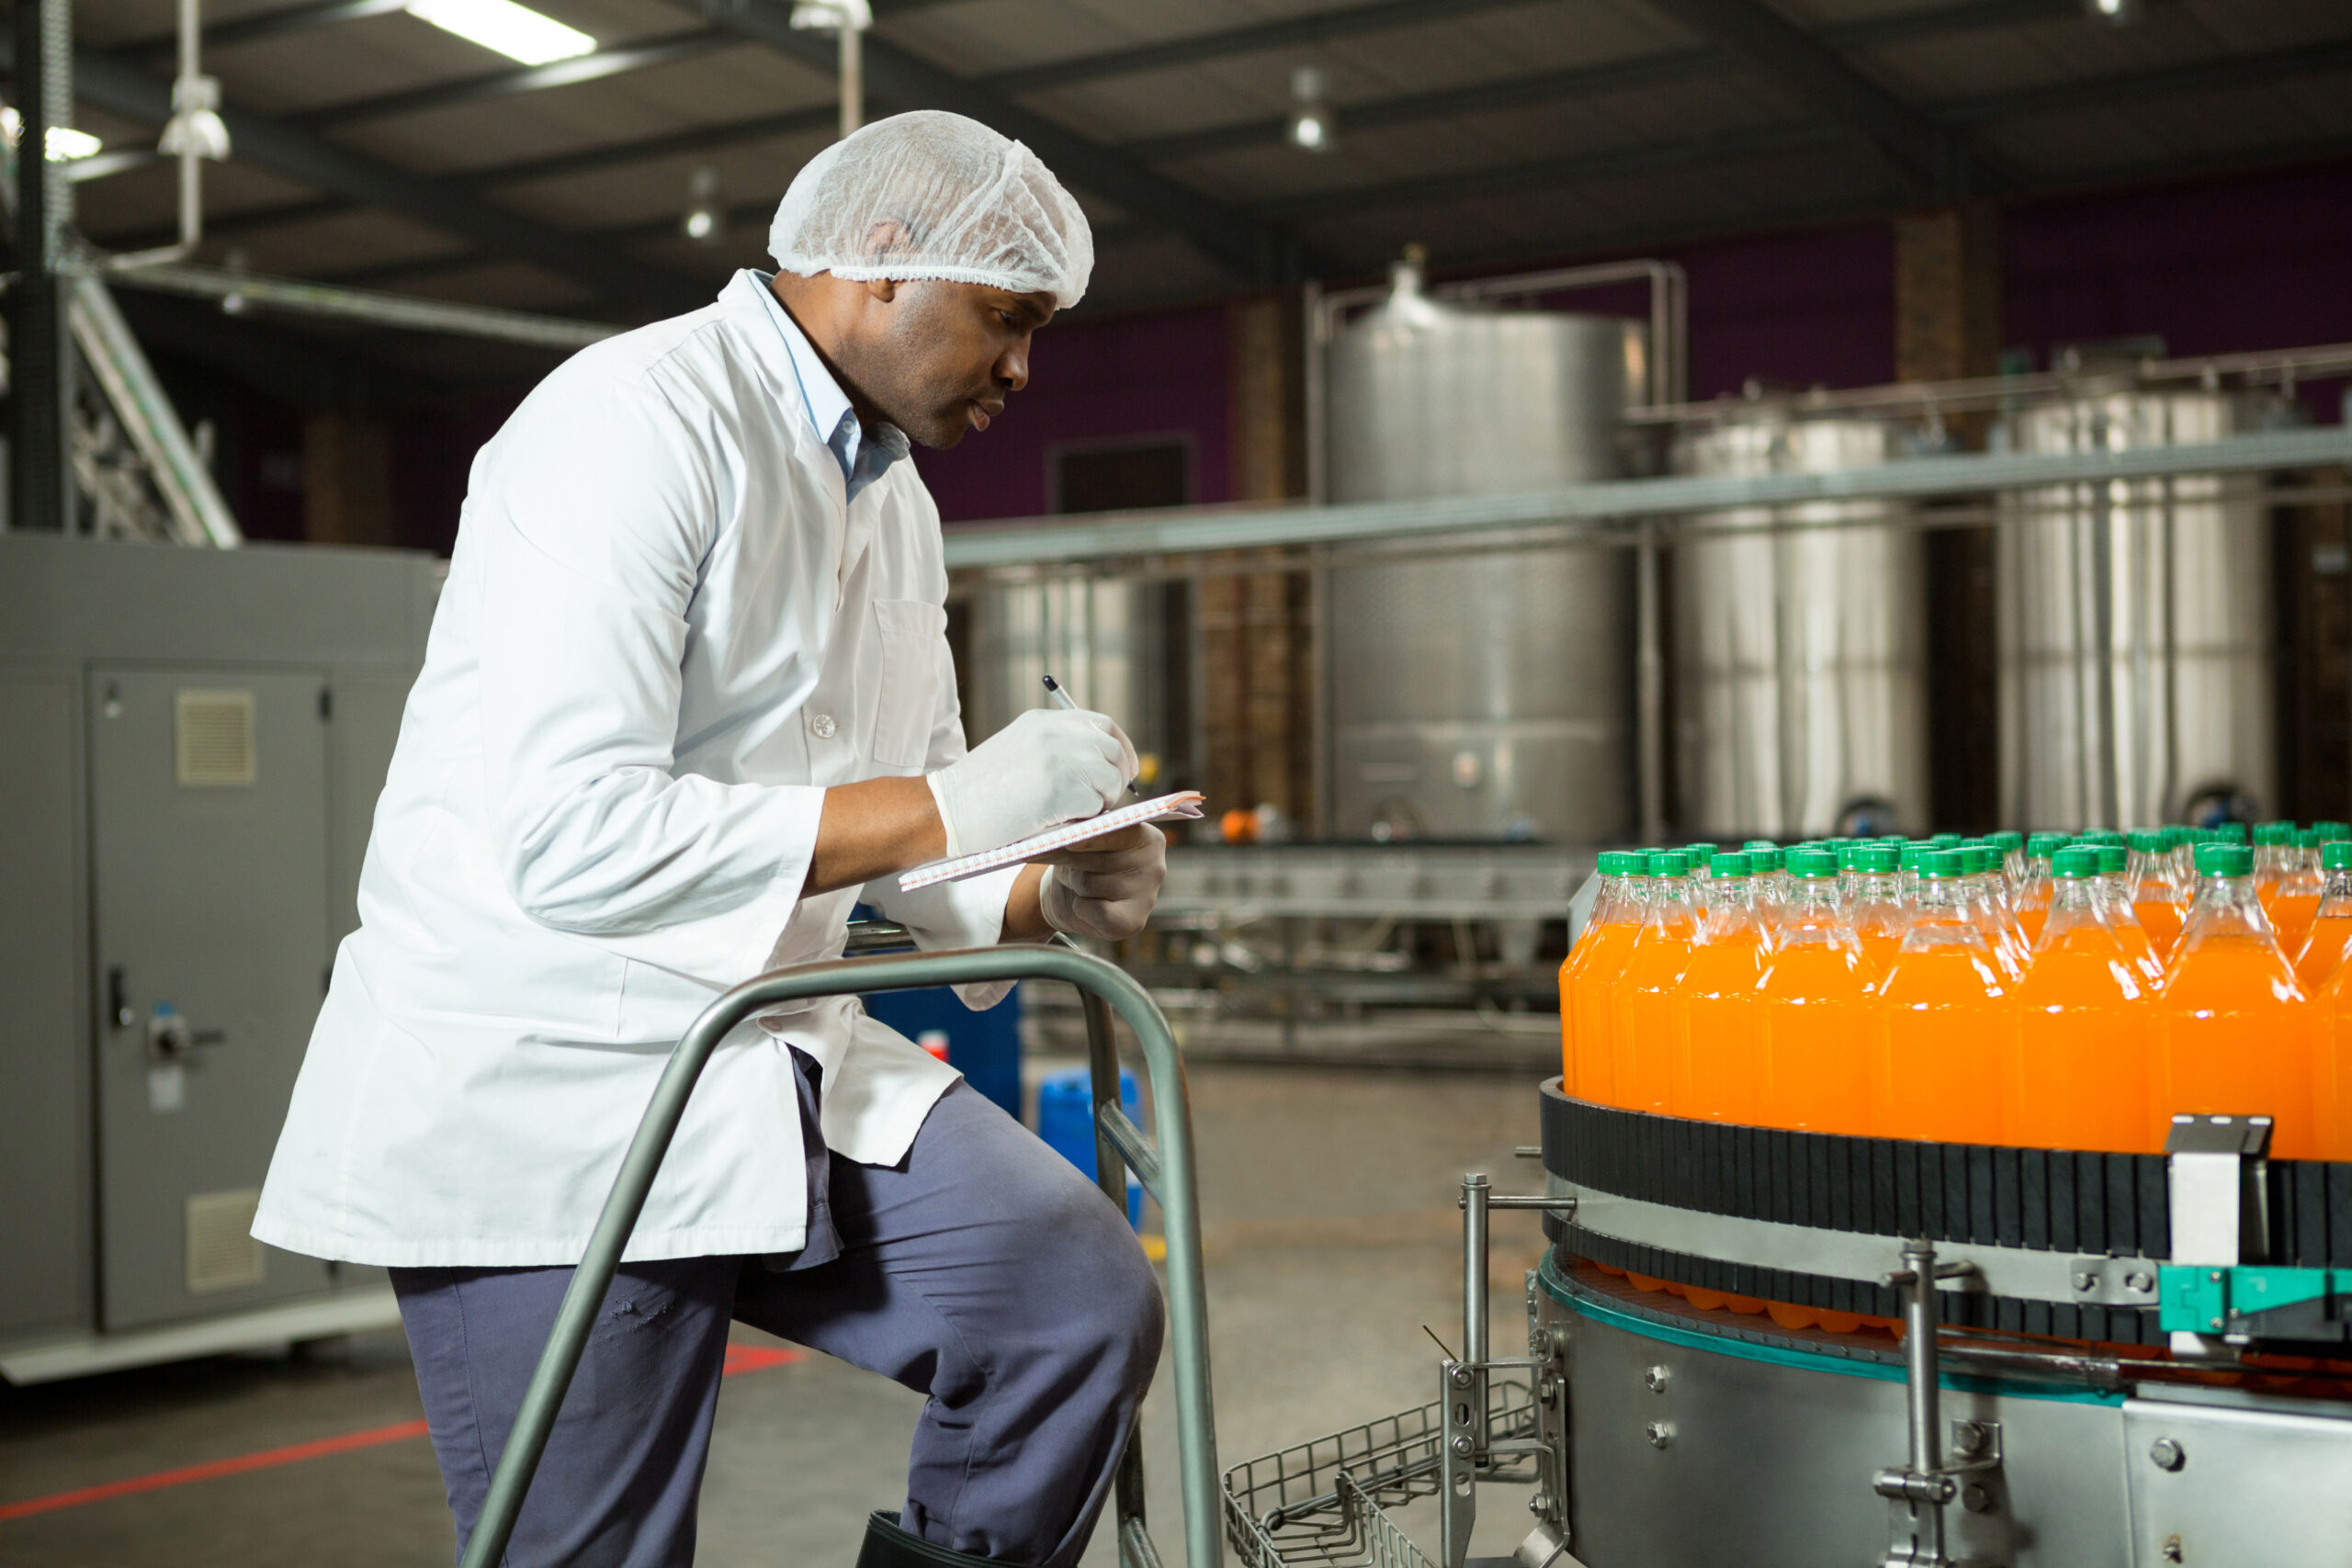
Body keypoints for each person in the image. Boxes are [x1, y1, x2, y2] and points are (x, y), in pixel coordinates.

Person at [254, 111, 1169, 1568]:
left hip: (769, 1048)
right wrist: (961, 805)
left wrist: (1052, 885)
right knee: (602, 1548)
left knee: (1067, 1299)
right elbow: (575, 835)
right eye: (1007, 319)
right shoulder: (630, 423)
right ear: (880, 264)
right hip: (553, 1089)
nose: (1021, 368)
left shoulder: (898, 502)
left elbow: (920, 857)